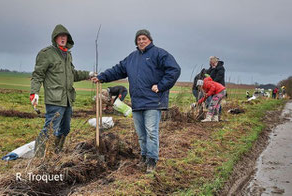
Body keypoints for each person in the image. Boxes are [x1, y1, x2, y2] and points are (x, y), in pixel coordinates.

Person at [93, 29, 181, 173]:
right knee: (141, 134)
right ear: (136, 42)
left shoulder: (159, 54)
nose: (141, 41)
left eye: (144, 38)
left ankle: (152, 161)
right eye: (138, 39)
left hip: (153, 101)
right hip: (137, 102)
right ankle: (144, 157)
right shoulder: (131, 58)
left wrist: (161, 86)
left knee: (151, 131)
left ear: (150, 40)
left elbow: (174, 69)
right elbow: (117, 70)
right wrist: (102, 77)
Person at [30, 24, 94, 156]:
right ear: (55, 38)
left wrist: (89, 74)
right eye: (60, 36)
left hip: (67, 99)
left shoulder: (67, 55)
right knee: (50, 128)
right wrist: (34, 92)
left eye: (65, 36)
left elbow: (72, 74)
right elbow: (37, 75)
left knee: (65, 129)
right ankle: (38, 157)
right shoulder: (46, 54)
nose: (62, 38)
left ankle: (55, 152)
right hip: (54, 99)